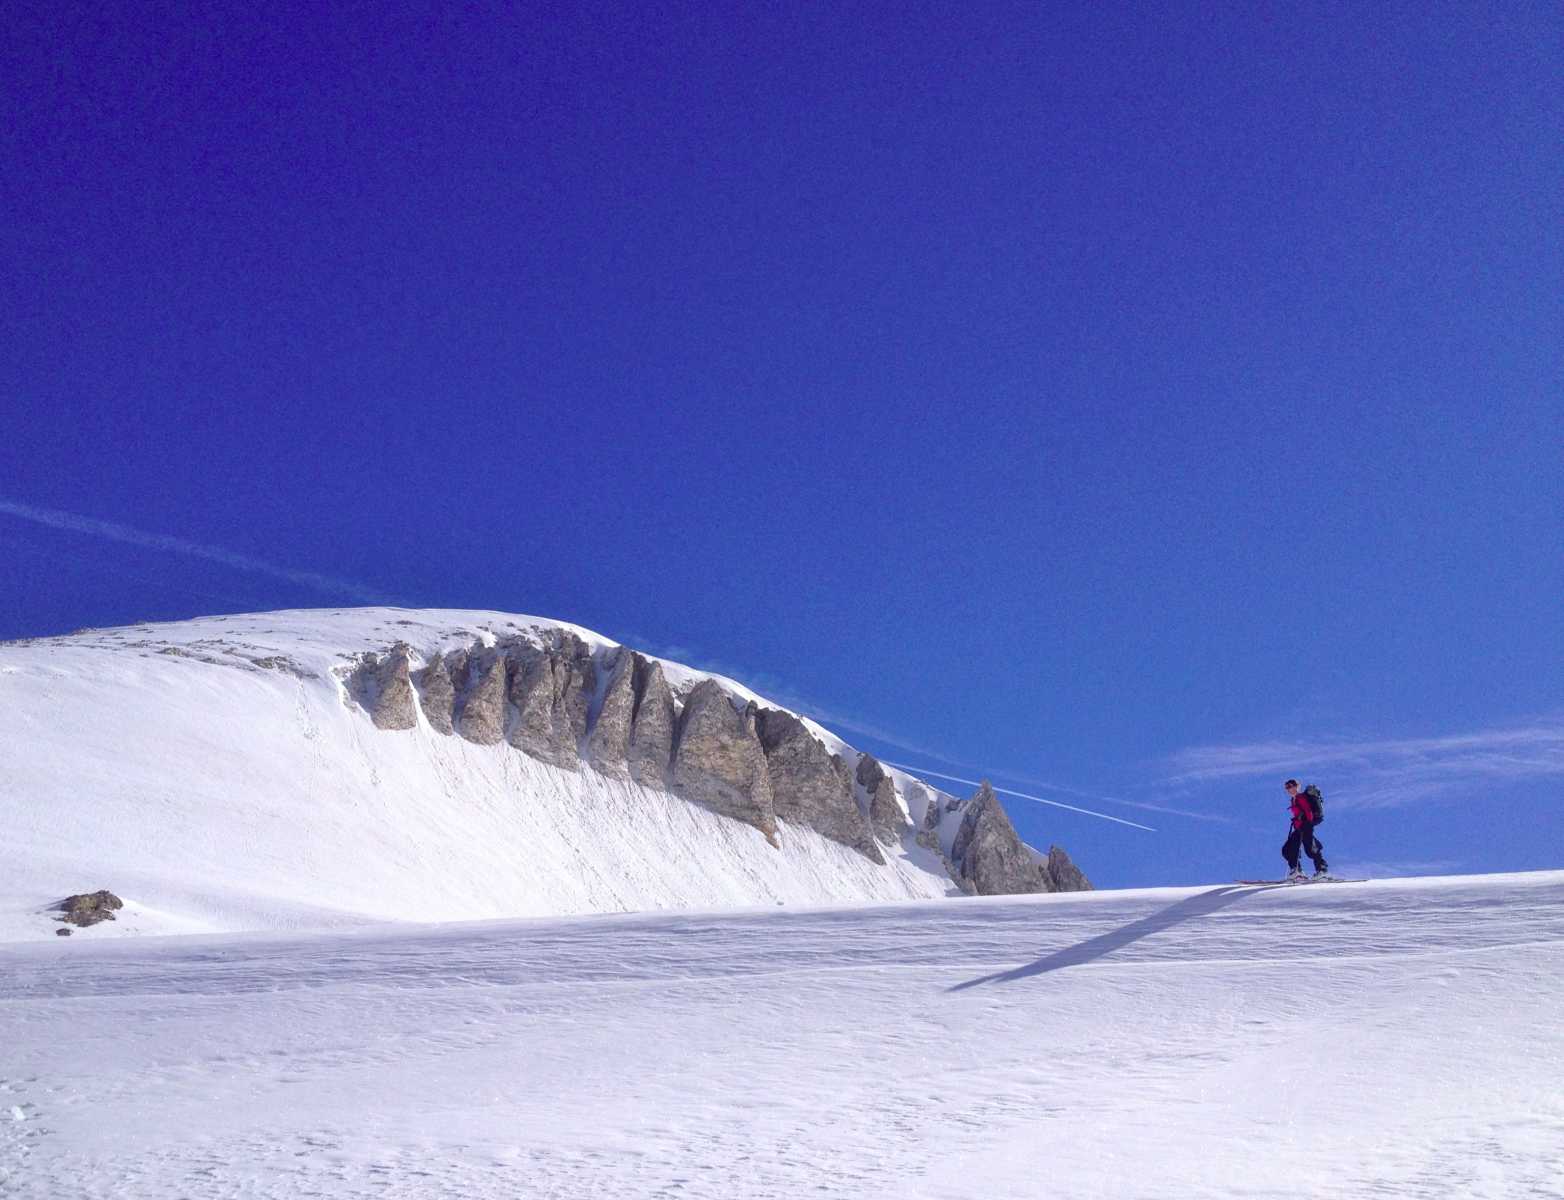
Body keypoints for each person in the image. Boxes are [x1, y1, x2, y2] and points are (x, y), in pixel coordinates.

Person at [1282, 778, 1328, 880]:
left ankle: (1322, 870)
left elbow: (1308, 812)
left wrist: (1307, 823)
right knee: (1287, 849)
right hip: (1299, 828)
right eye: (1287, 787)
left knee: (1311, 849)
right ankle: (1296, 871)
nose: (1289, 789)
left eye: (1291, 786)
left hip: (1305, 826)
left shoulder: (1300, 797)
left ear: (1297, 786)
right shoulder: (1293, 800)